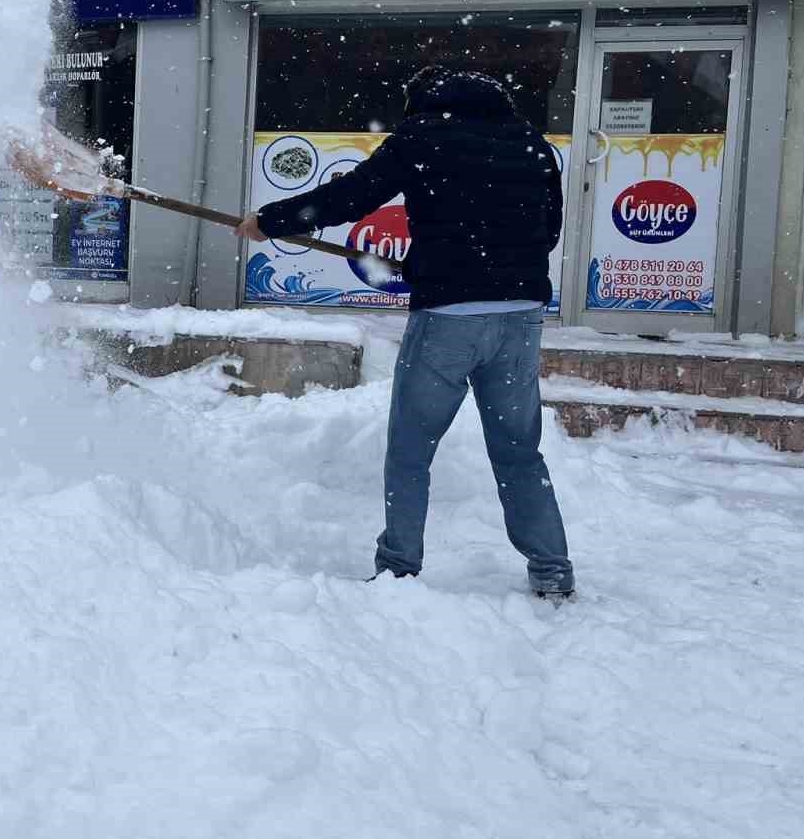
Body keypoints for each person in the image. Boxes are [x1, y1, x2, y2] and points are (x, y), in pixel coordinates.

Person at [235, 65, 574, 600]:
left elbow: (350, 198)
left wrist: (270, 221)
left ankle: (398, 569)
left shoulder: (423, 136)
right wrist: (471, 260)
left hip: (449, 319)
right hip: (521, 316)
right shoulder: (530, 144)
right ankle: (552, 570)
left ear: (421, 103)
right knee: (518, 451)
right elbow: (548, 231)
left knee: (411, 449)